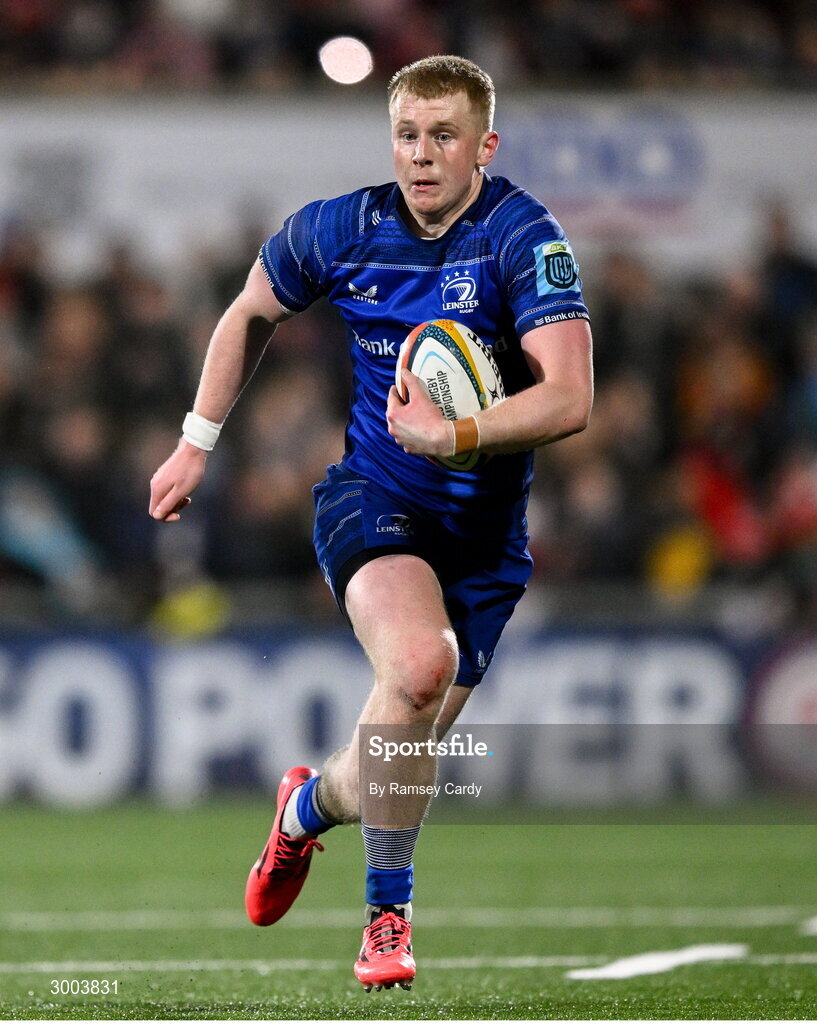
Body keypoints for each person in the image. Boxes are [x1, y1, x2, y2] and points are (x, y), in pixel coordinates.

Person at [149, 54, 593, 992]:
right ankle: (385, 924)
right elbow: (246, 314)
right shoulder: (342, 229)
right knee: (418, 668)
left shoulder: (522, 237)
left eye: (443, 136)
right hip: (371, 499)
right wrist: (196, 443)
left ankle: (304, 809)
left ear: (485, 145)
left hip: (484, 542)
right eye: (406, 134)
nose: (422, 155)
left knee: (387, 761)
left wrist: (455, 432)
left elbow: (569, 397)